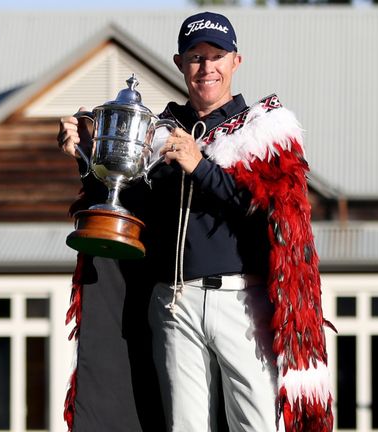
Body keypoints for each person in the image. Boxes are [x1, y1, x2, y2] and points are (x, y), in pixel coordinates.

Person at [59, 11, 334, 432]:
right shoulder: (156, 131)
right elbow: (127, 210)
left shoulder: (265, 128)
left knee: (256, 426)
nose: (206, 67)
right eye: (195, 57)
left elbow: (273, 217)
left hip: (243, 304)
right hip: (173, 302)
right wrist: (89, 155)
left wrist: (199, 165)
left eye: (216, 55)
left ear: (235, 62)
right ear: (179, 63)